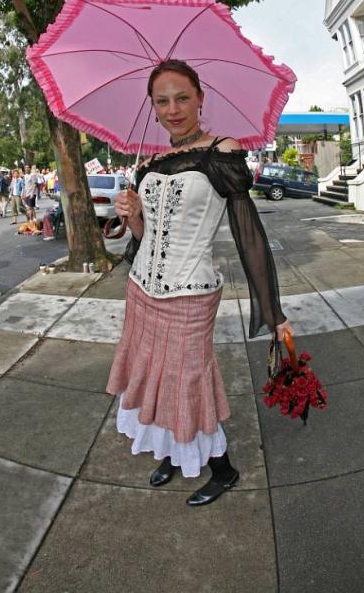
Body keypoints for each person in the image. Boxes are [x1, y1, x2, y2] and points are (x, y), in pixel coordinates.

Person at [106, 59, 294, 507]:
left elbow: (249, 233)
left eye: (182, 97)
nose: (174, 109)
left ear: (200, 97)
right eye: (162, 101)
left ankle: (222, 470)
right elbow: (143, 241)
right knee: (153, 377)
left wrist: (274, 312)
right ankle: (172, 453)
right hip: (141, 291)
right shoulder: (149, 164)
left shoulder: (221, 153)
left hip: (190, 293)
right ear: (152, 107)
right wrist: (132, 218)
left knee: (189, 381)